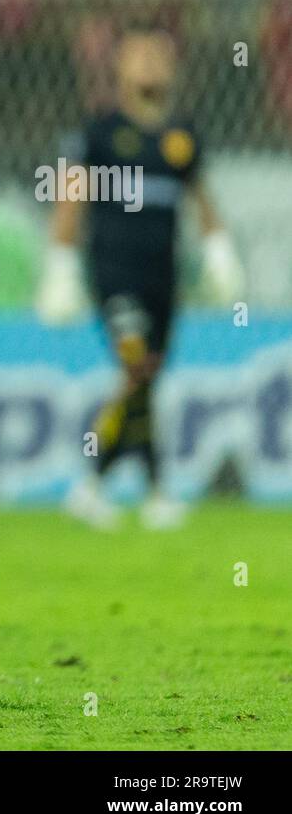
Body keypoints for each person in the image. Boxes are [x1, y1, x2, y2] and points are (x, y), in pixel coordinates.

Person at [37, 30, 243, 530]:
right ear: (120, 68)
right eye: (140, 55)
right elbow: (72, 194)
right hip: (114, 273)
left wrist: (219, 252)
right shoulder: (102, 132)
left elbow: (201, 199)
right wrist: (60, 265)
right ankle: (101, 485)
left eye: (160, 55)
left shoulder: (182, 138)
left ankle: (140, 493)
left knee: (147, 376)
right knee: (136, 369)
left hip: (163, 276)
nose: (150, 64)